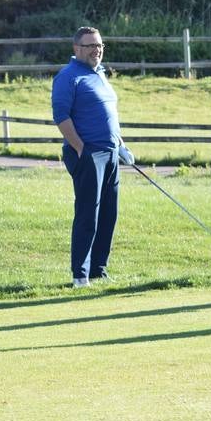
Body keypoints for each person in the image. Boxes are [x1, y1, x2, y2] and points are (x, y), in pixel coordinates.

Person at [51, 26, 134, 287]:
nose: (96, 50)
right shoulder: (68, 76)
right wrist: (79, 148)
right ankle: (80, 274)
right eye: (90, 46)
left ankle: (99, 269)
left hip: (110, 152)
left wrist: (121, 145)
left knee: (109, 213)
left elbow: (109, 116)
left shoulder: (100, 74)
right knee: (89, 214)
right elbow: (61, 116)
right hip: (88, 153)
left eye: (99, 46)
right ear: (77, 49)